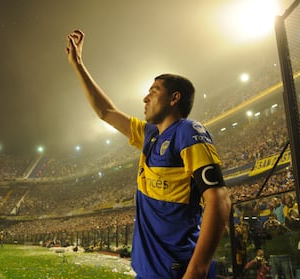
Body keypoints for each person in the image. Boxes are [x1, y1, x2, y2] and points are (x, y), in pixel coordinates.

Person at [66, 29, 231, 279]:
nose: (145, 98)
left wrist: (197, 270)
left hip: (178, 270)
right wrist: (78, 65)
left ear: (174, 98)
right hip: (148, 270)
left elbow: (219, 199)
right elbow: (106, 111)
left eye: (154, 91)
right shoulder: (150, 134)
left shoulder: (188, 132)